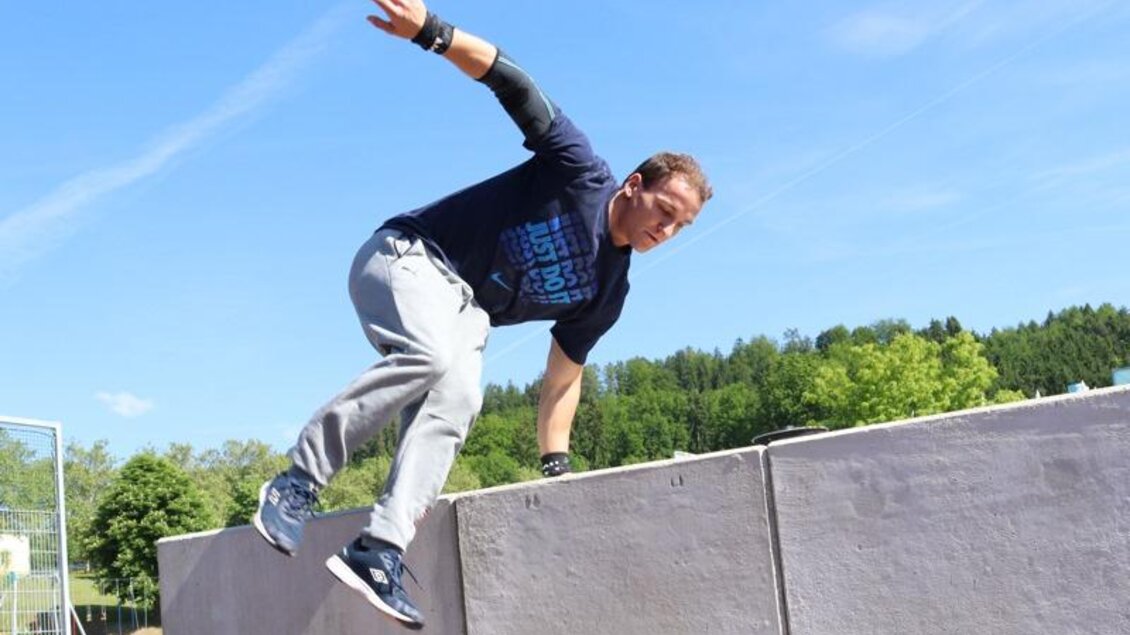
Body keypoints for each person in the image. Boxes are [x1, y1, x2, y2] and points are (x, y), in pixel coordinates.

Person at [254, 0, 712, 629]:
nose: (666, 230)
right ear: (635, 185)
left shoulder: (609, 289)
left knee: (460, 398)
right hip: (411, 255)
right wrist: (432, 33)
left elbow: (563, 378)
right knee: (431, 355)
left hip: (468, 312)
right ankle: (298, 482)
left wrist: (556, 466)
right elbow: (515, 83)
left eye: (681, 226)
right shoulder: (580, 172)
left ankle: (379, 549)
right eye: (664, 211)